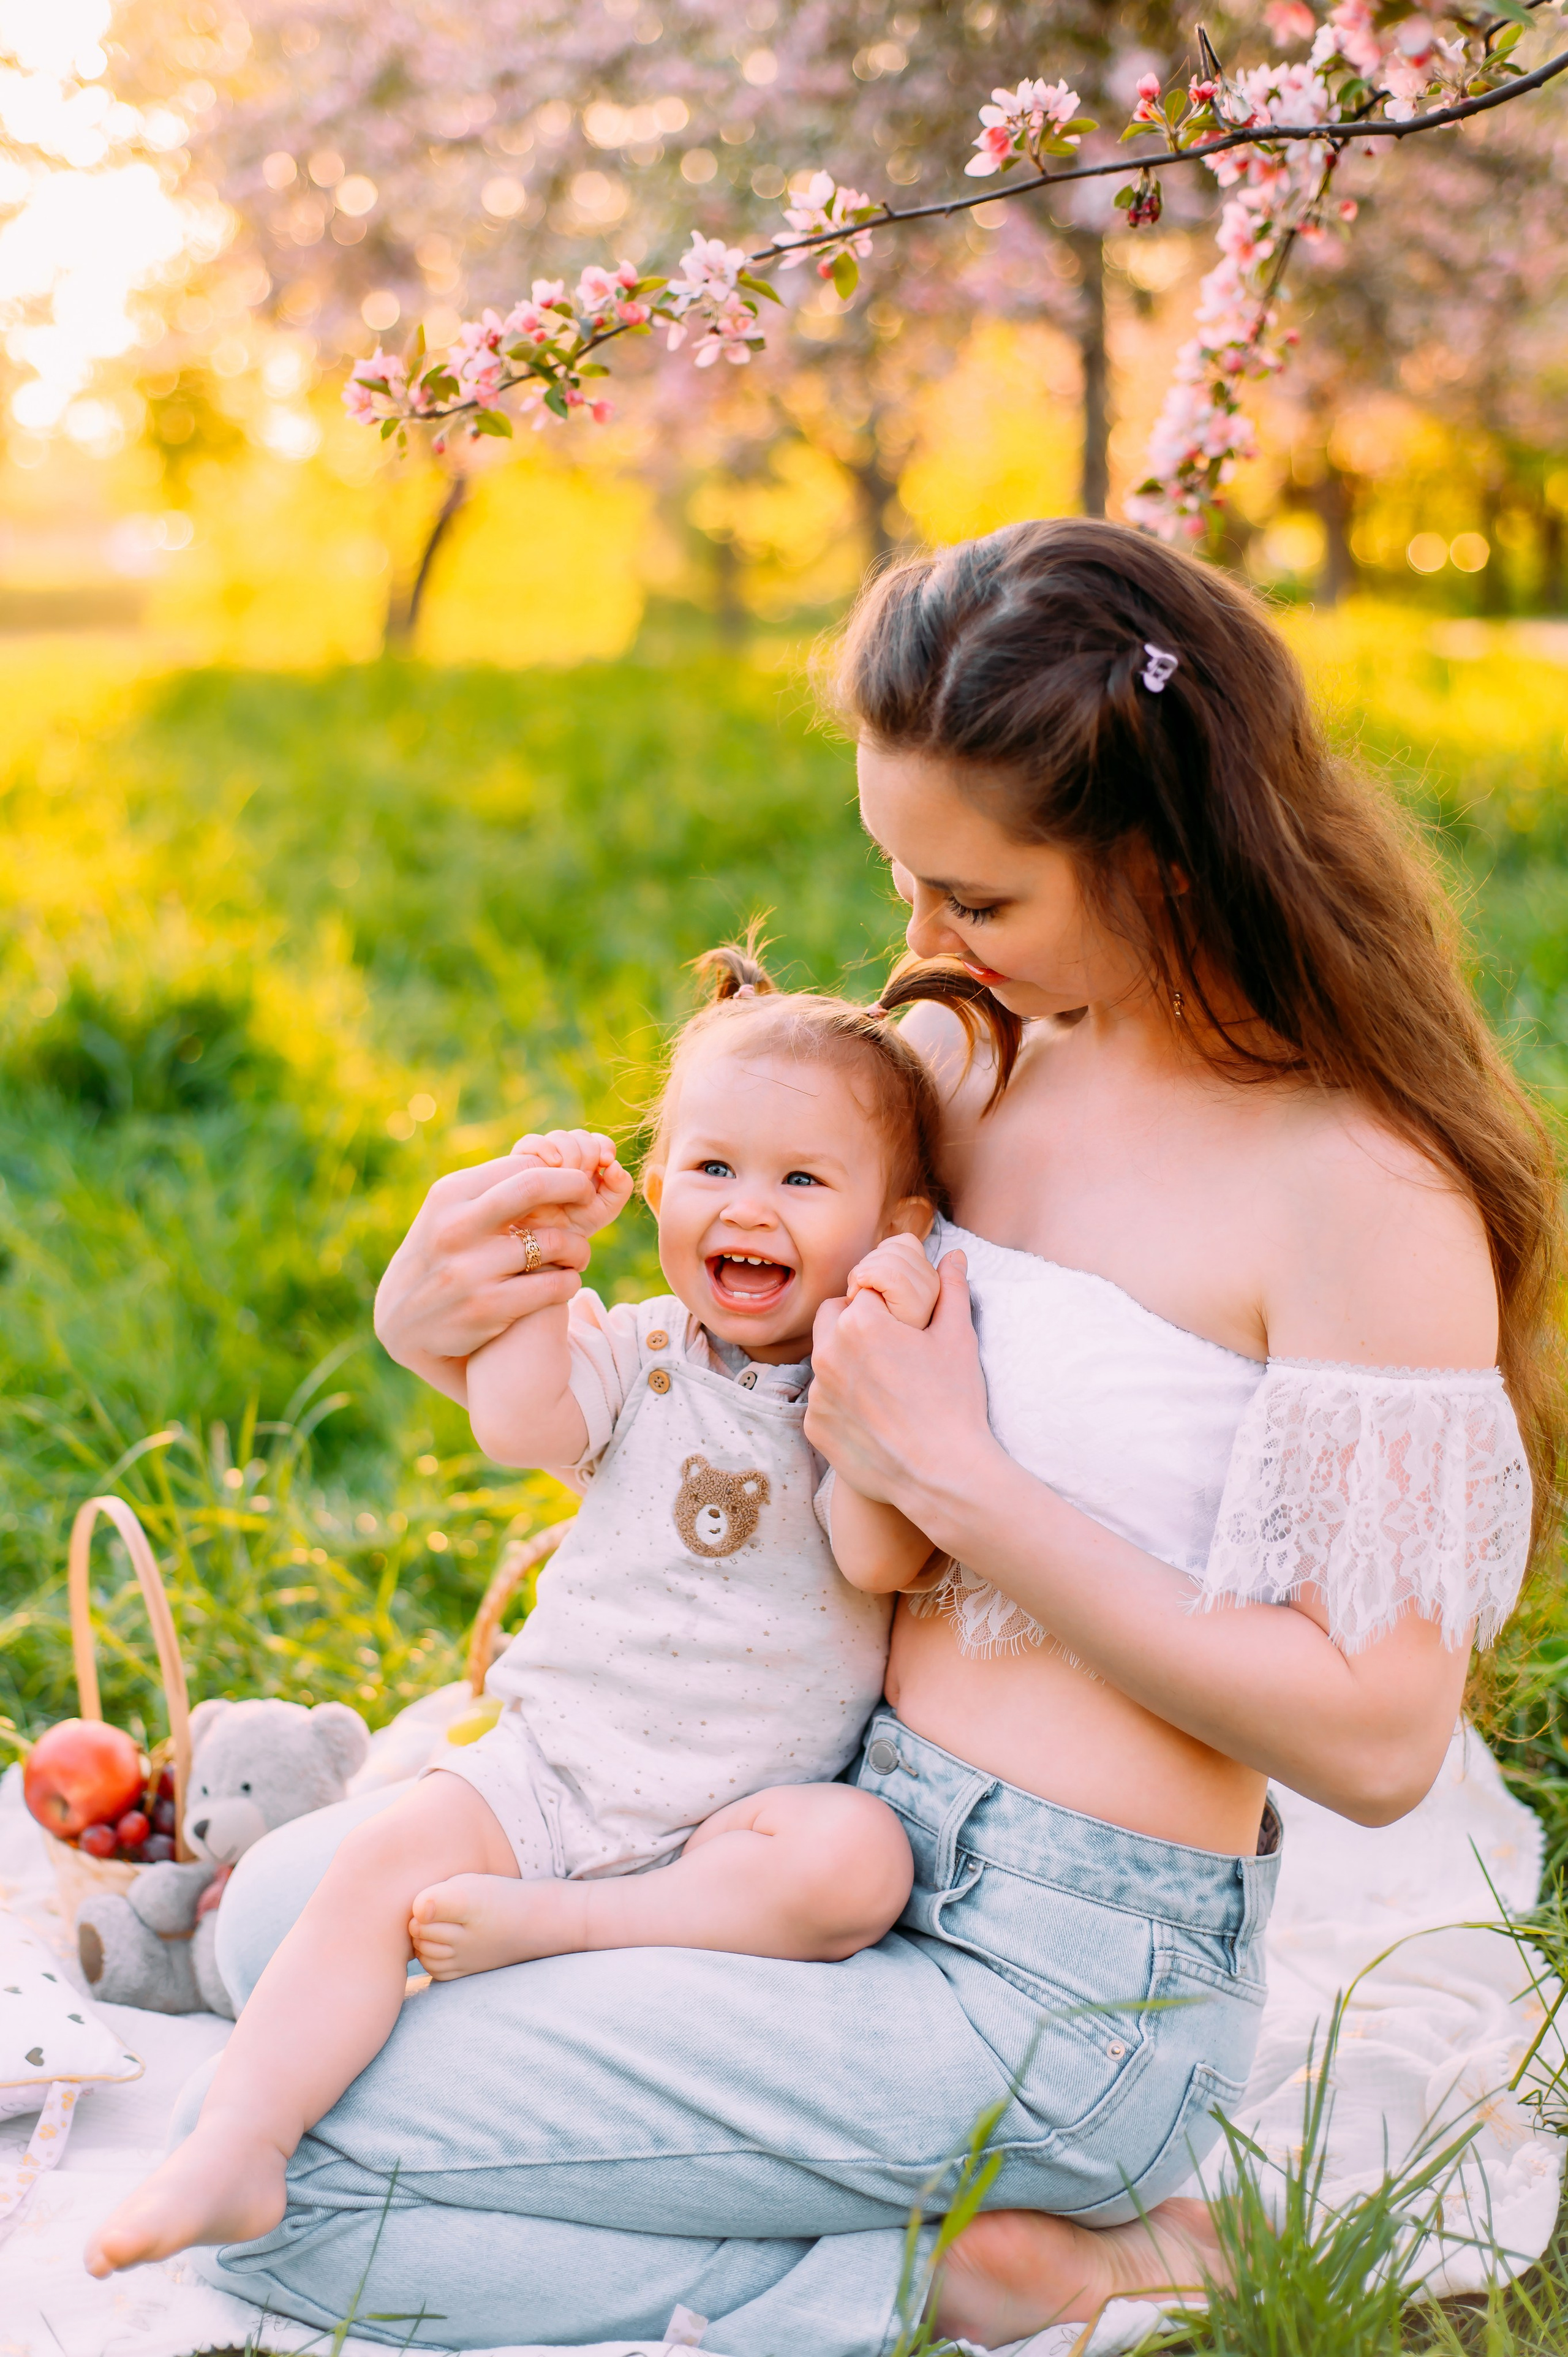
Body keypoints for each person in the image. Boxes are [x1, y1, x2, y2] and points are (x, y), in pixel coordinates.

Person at [142, 520, 1560, 2353]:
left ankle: (995, 2261)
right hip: (815, 1840)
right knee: (275, 1933)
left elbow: (1379, 1742)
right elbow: (723, 1332)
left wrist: (968, 1484)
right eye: (904, 878)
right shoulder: (975, 1067)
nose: (920, 948)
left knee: (287, 2201)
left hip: (1069, 1980)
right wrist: (449, 1319)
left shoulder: (1355, 1194)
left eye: (978, 900)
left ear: (1168, 862)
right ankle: (884, 2214)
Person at [86, 946, 1020, 2279]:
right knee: (368, 1872)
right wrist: (542, 1256)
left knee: (858, 1861)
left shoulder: (858, 1389)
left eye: (801, 1181)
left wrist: (886, 1331)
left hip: (728, 1827)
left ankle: (565, 1931)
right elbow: (522, 1418)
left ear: (895, 1221)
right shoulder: (637, 1351)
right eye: (711, 1169)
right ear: (654, 1186)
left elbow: (876, 1557)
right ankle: (241, 2134)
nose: (745, 1207)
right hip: (548, 1767)